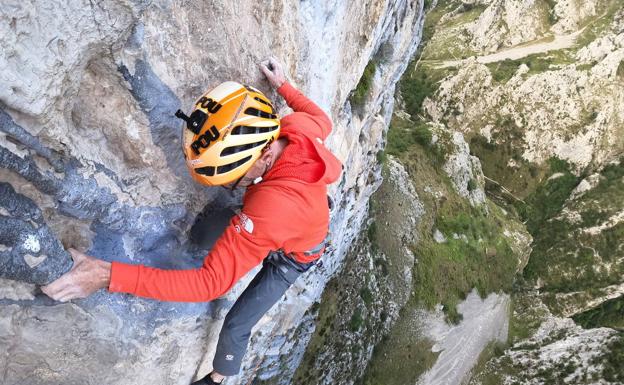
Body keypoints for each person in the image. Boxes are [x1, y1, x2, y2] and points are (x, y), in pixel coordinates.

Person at [41, 57, 342, 384]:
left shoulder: (270, 211)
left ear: (266, 157)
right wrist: (283, 85)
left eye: (238, 174)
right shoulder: (297, 128)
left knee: (237, 324)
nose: (236, 182)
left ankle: (218, 379)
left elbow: (210, 285)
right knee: (204, 235)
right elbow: (320, 118)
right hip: (295, 212)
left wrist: (105, 274)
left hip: (294, 257)